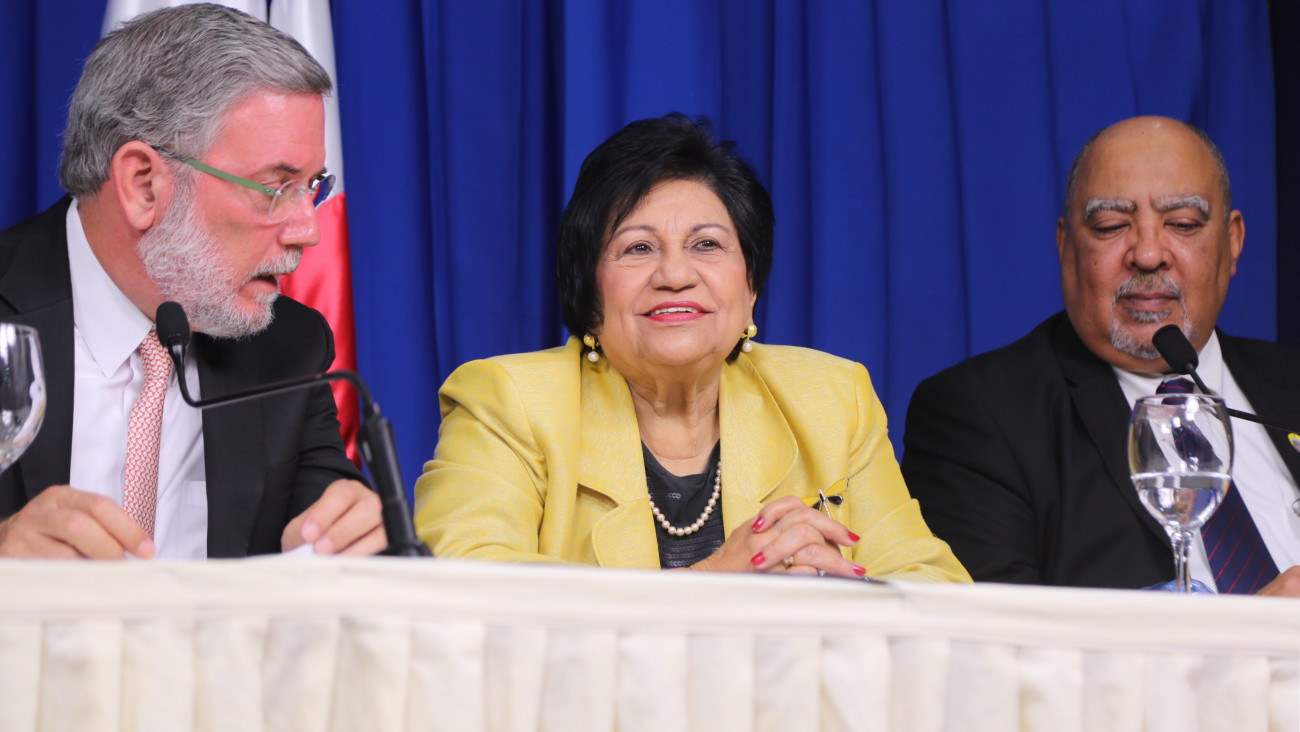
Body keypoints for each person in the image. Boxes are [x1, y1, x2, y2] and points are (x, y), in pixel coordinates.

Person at [415, 113, 968, 581]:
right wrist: (713, 583)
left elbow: (932, 586)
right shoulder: (507, 400)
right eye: (638, 248)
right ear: (589, 293)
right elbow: (462, 586)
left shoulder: (832, 398)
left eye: (706, 244)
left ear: (750, 287)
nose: (675, 275)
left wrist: (837, 598)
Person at [0, 4, 384, 560]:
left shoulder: (286, 347)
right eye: (275, 188)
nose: (309, 231)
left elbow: (330, 524)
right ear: (143, 185)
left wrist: (347, 534)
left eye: (312, 187)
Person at [902, 116, 1300, 596]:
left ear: (1232, 242)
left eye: (1182, 224)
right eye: (1111, 226)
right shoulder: (978, 415)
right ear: (1065, 244)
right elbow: (990, 635)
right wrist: (1253, 626)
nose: (1148, 254)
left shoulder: (1289, 384)